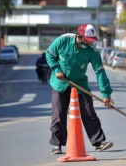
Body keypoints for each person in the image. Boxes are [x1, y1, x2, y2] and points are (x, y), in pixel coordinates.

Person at [46, 23, 114, 154]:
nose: (89, 43)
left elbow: (100, 72)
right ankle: (57, 145)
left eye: (91, 40)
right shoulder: (63, 40)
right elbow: (49, 55)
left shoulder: (91, 52)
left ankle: (98, 143)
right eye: (88, 40)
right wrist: (56, 69)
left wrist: (106, 94)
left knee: (89, 112)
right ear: (79, 36)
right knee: (58, 115)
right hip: (60, 84)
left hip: (80, 85)